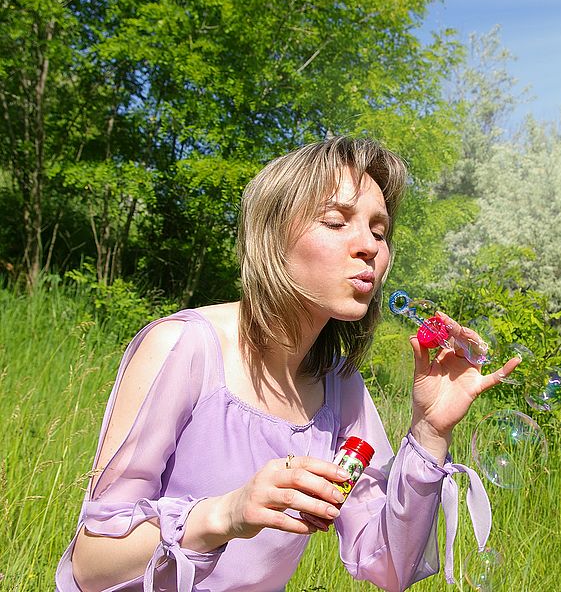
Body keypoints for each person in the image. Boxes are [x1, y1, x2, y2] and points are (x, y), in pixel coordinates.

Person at [54, 136, 520, 591]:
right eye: (336, 222)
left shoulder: (342, 389)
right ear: (272, 237)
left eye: (379, 232)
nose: (370, 247)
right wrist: (226, 514)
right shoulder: (184, 347)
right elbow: (92, 563)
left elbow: (389, 568)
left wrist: (430, 433)